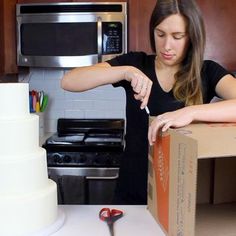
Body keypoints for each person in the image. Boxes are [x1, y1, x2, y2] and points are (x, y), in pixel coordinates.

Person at [61, 0, 236, 204]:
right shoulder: (136, 64)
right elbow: (69, 81)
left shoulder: (207, 72)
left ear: (192, 38)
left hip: (179, 197)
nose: (166, 45)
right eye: (160, 34)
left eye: (177, 36)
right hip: (132, 191)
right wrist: (125, 71)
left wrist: (191, 112)